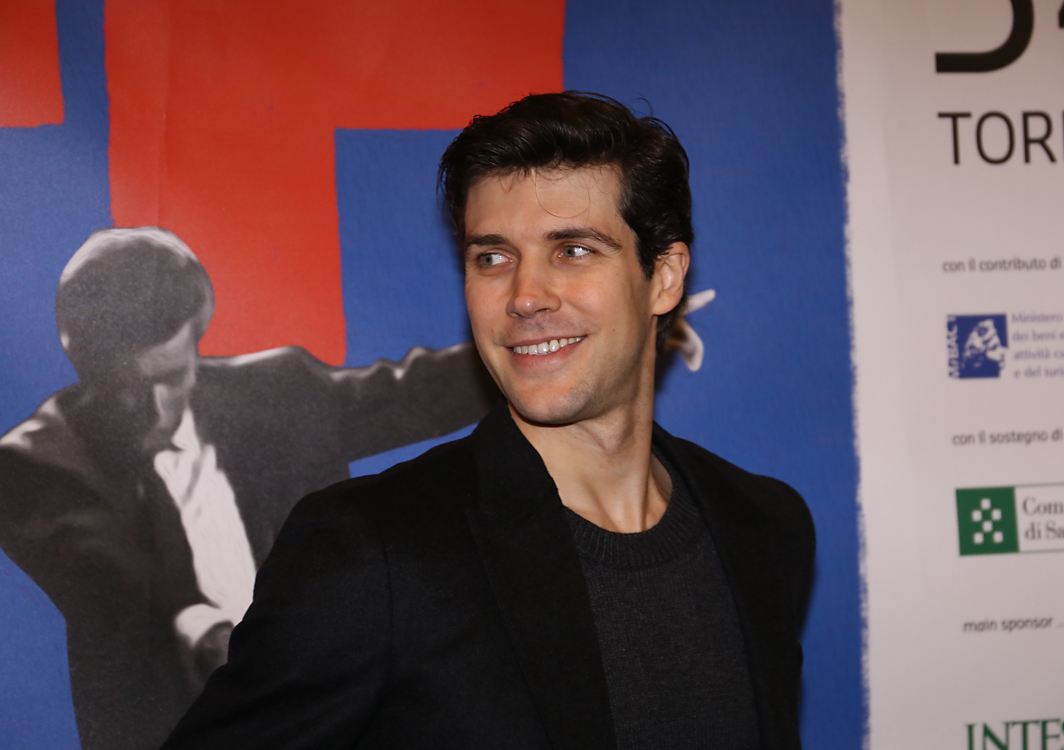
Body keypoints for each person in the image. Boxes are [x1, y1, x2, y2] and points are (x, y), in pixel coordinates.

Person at [162, 92, 815, 750]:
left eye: (574, 251)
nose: (526, 296)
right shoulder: (373, 552)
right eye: (492, 258)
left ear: (664, 277)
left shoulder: (762, 527)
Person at [0, 227, 499, 750]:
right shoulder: (39, 463)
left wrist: (527, 360)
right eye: (123, 387)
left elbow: (413, 394)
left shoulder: (277, 393)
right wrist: (207, 633)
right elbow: (115, 576)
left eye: (169, 378)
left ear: (196, 339)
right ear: (80, 361)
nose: (148, 408)